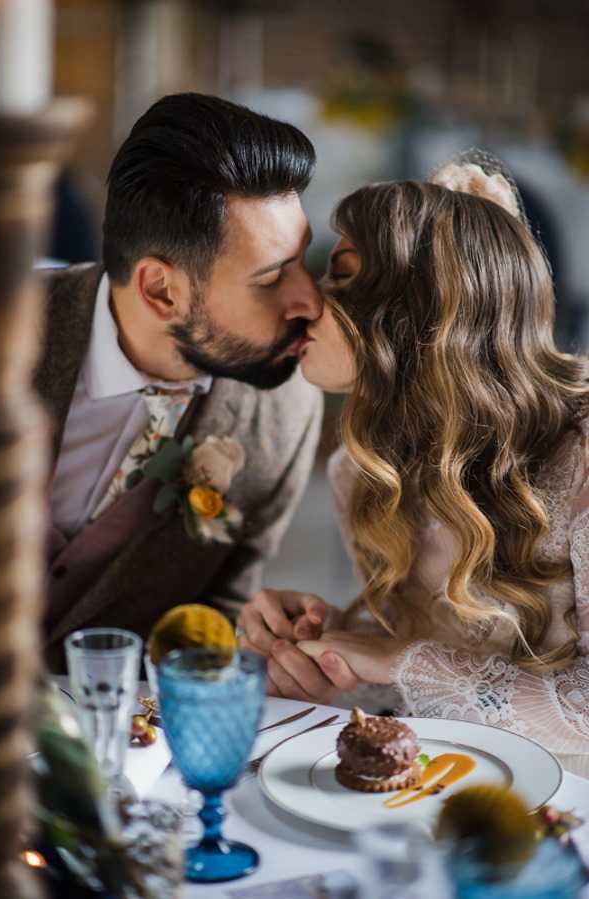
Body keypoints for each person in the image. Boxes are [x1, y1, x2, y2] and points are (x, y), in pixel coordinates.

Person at [237, 153, 589, 776]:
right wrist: (328, 659)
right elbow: (429, 697)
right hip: (446, 792)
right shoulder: (361, 476)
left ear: (423, 313)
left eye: (341, 278)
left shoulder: (581, 455)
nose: (305, 302)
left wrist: (396, 658)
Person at [38, 92, 323, 671]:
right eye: (271, 280)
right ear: (161, 291)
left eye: (303, 262)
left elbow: (218, 610)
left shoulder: (286, 412)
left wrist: (267, 644)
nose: (309, 300)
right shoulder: (8, 331)